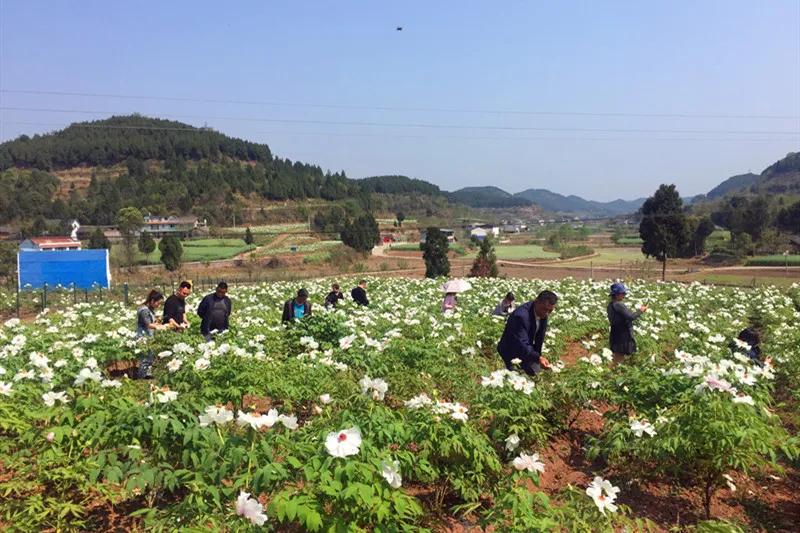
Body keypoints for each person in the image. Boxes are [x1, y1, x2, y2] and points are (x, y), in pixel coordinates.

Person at [497, 290, 558, 375]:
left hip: (525, 351)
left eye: (550, 311)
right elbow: (521, 343)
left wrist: (538, 358)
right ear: (536, 301)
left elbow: (539, 338)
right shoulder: (521, 316)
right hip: (510, 352)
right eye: (544, 309)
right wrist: (537, 357)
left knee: (535, 373)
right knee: (515, 379)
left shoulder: (542, 313)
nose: (546, 313)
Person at [607, 282, 647, 364]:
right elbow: (631, 316)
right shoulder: (618, 305)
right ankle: (615, 373)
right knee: (619, 357)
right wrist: (641, 310)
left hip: (615, 332)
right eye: (623, 293)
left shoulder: (610, 305)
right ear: (617, 294)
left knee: (617, 355)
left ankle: (617, 372)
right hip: (622, 334)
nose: (625, 295)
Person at [136, 290, 166, 378]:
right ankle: (142, 376)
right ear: (152, 301)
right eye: (158, 303)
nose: (159, 306)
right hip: (143, 336)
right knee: (145, 356)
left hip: (148, 335)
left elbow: (151, 322)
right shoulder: (144, 311)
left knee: (150, 355)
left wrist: (158, 322)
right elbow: (148, 325)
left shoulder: (150, 309)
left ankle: (147, 374)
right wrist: (161, 327)